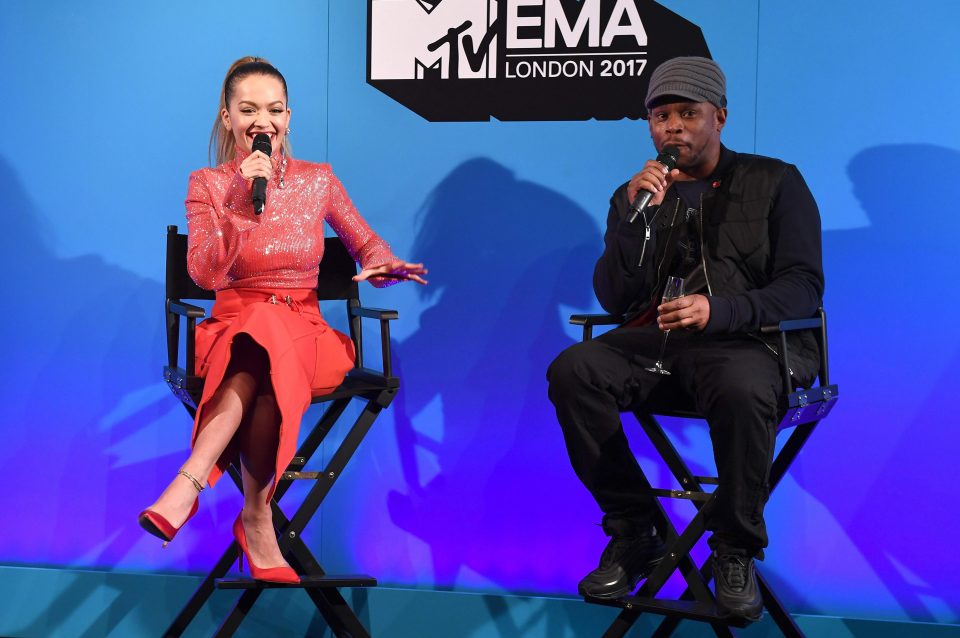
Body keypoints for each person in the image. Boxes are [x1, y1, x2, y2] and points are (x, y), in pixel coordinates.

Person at [546, 56, 823, 620]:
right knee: (574, 369)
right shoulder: (637, 197)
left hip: (754, 345)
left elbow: (802, 287)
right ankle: (634, 531)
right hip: (664, 348)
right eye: (660, 115)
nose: (671, 127)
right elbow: (614, 299)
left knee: (742, 386)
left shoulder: (775, 182)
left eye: (687, 113)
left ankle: (735, 547)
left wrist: (718, 310)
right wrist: (629, 219)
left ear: (718, 117)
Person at [138, 57, 427, 583]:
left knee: (272, 333)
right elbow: (203, 274)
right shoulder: (207, 184)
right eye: (247, 109)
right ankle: (256, 516)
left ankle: (190, 481)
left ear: (288, 118)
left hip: (312, 338)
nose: (262, 121)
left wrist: (384, 265)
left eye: (273, 109)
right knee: (261, 342)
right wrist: (235, 200)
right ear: (227, 118)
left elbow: (365, 242)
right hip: (233, 336)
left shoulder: (319, 181)